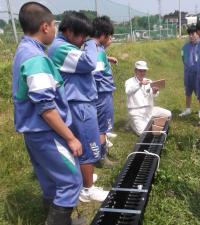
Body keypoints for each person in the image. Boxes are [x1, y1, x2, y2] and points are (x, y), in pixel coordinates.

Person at [12, 2, 83, 224]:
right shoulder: (36, 59)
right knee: (71, 181)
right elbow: (46, 107)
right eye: (54, 25)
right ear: (45, 27)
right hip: (47, 133)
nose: (55, 29)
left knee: (51, 180)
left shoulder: (24, 50)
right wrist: (70, 138)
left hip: (35, 133)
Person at [48, 12, 108, 203]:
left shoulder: (65, 46)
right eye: (82, 36)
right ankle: (88, 190)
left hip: (81, 103)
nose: (83, 41)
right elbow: (89, 62)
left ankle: (84, 180)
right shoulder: (60, 48)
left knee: (83, 146)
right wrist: (92, 42)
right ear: (70, 31)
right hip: (79, 105)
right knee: (89, 146)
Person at [91, 16, 117, 166]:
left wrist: (107, 58)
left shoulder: (94, 48)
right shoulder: (98, 52)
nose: (111, 39)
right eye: (110, 36)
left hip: (100, 95)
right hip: (102, 96)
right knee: (102, 127)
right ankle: (101, 157)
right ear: (102, 35)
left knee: (100, 126)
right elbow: (96, 77)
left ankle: (99, 152)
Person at [125, 61, 172, 135]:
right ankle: (132, 123)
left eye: (144, 71)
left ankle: (150, 121)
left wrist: (155, 91)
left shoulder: (149, 81)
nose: (142, 73)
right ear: (135, 70)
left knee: (168, 114)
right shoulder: (129, 82)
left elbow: (154, 96)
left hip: (150, 109)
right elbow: (128, 91)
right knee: (143, 133)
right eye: (140, 71)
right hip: (136, 111)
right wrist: (140, 84)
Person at [179, 25, 200, 118]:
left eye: (193, 34)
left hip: (198, 74)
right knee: (188, 92)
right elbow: (183, 59)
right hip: (188, 74)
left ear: (197, 34)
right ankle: (188, 109)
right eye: (189, 34)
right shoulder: (185, 47)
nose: (190, 36)